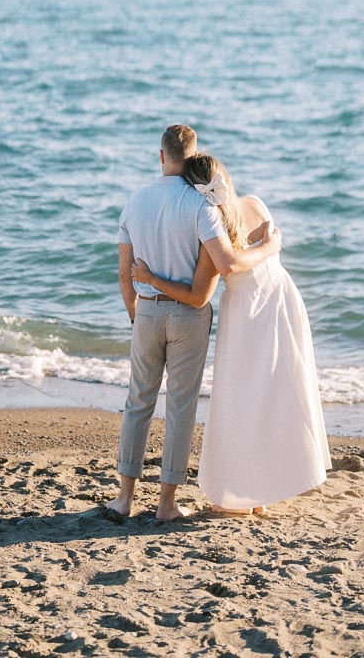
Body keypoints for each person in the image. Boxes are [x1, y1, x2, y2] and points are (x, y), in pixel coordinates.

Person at [131, 152, 330, 514]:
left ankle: (244, 496)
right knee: (274, 395)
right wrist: (268, 247)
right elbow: (257, 253)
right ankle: (260, 493)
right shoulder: (255, 204)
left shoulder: (212, 226)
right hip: (281, 298)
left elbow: (211, 281)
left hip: (247, 312)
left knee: (241, 402)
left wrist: (150, 279)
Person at [106, 126, 283, 523]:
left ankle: (123, 499)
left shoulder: (135, 202)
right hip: (188, 315)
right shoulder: (202, 206)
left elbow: (123, 273)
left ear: (161, 156)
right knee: (180, 409)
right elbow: (224, 264)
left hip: (147, 311)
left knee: (138, 404)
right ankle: (166, 504)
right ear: (194, 155)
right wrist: (269, 247)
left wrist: (137, 312)